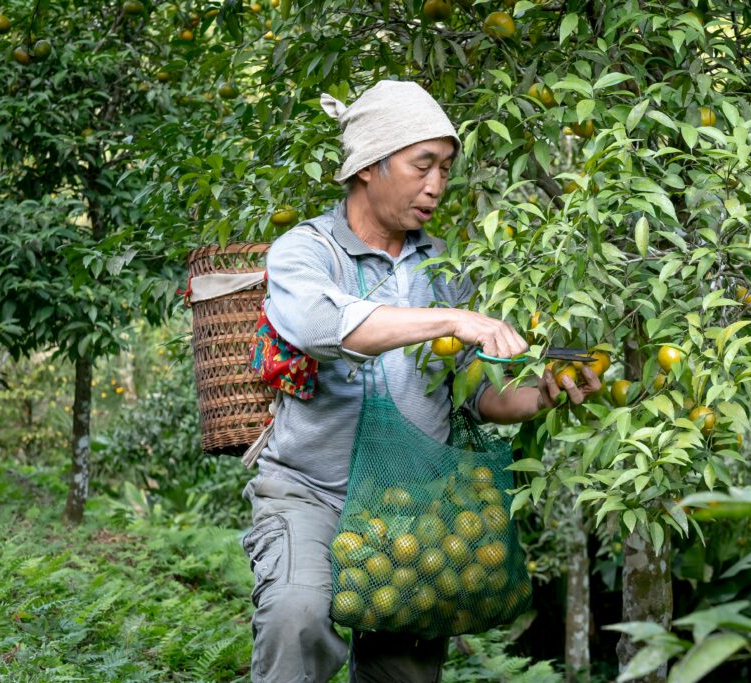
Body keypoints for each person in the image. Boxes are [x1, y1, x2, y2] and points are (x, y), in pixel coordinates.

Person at [240, 80, 601, 683]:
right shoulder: (307, 250)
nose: (436, 184)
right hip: (311, 493)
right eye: (422, 165)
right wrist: (453, 319)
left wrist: (542, 394)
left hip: (407, 504)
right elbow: (316, 324)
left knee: (404, 672)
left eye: (446, 168)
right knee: (296, 618)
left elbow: (477, 395)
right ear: (368, 167)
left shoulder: (443, 268)